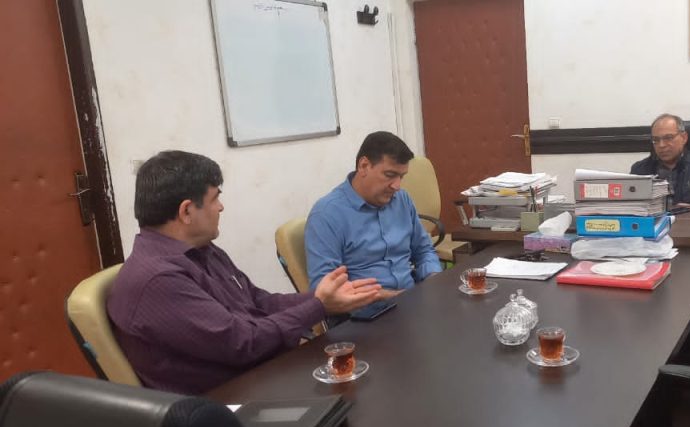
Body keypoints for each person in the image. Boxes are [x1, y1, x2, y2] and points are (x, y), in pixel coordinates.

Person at [107, 151, 382, 394]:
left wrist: (323, 297)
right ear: (187, 211)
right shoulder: (158, 280)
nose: (221, 207)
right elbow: (242, 343)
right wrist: (318, 306)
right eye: (215, 198)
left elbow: (259, 302)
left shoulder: (202, 250)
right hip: (227, 406)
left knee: (373, 373)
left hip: (262, 375)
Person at [305, 131, 441, 322]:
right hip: (363, 319)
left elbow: (424, 250)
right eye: (390, 175)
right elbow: (327, 293)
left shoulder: (402, 200)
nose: (397, 186)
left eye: (401, 177)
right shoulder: (327, 215)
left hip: (410, 305)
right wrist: (397, 297)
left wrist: (434, 280)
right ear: (364, 166)